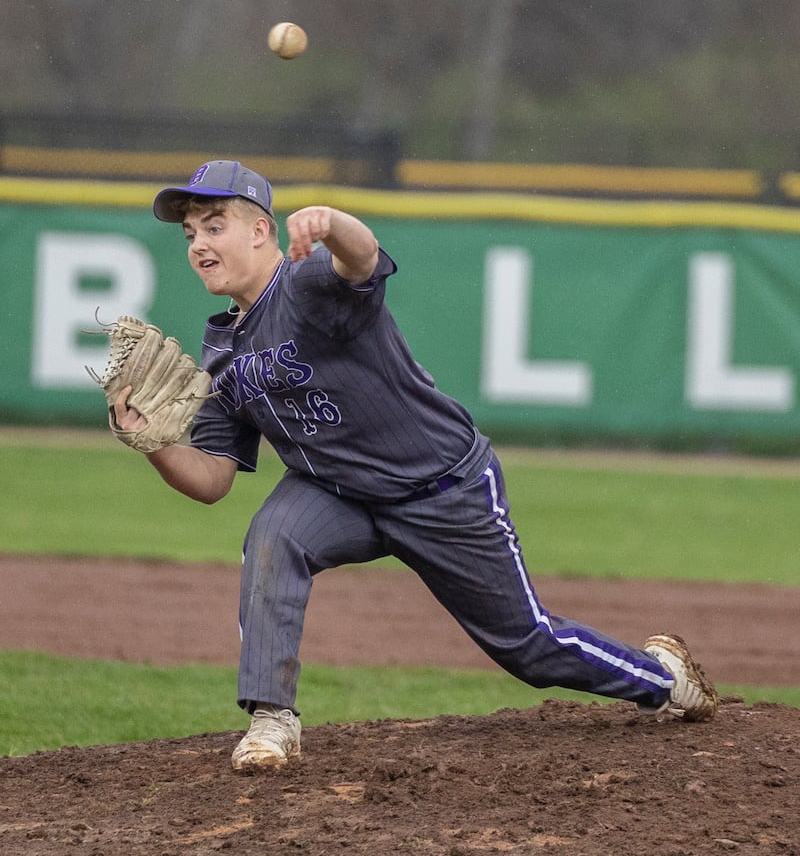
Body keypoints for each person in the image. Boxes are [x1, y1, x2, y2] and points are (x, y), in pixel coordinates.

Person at [112, 160, 717, 772]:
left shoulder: (306, 285)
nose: (199, 245)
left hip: (442, 489)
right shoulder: (223, 352)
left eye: (214, 226)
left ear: (260, 231)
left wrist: (333, 221)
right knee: (274, 535)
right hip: (340, 498)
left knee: (529, 649)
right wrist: (151, 442)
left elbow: (362, 259)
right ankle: (272, 721)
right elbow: (213, 479)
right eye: (190, 234)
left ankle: (663, 681)